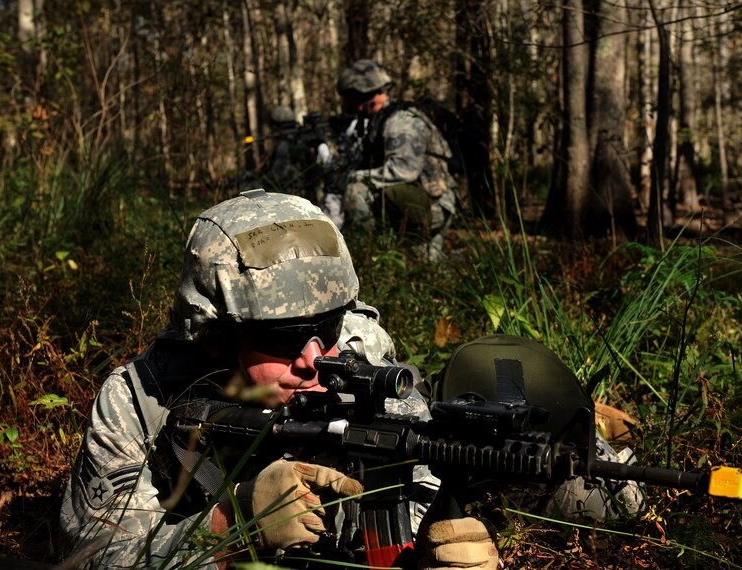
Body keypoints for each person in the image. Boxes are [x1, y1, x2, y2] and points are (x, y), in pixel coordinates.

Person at [58, 190, 495, 569]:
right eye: (285, 341)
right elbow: (96, 553)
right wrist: (231, 525)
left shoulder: (359, 357)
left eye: (327, 328)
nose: (316, 360)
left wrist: (441, 547)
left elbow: (419, 497)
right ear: (217, 340)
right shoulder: (139, 400)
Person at [335, 59, 457, 261]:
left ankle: (358, 258)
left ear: (364, 94)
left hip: (432, 204)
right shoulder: (383, 121)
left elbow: (404, 170)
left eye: (351, 98)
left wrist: (355, 176)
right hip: (423, 201)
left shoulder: (400, 122)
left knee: (357, 185)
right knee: (423, 265)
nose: (349, 106)